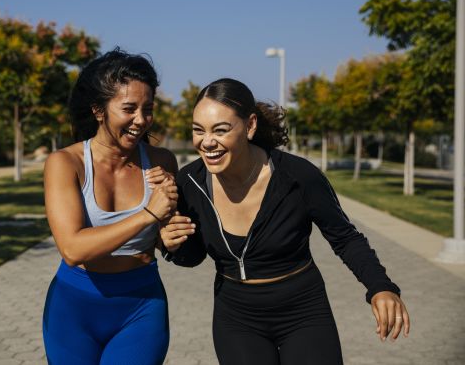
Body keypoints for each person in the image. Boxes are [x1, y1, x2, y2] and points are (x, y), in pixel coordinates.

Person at [160, 78, 410, 365]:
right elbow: (192, 256)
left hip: (303, 312)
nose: (207, 142)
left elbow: (345, 237)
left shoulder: (297, 177)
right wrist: (172, 244)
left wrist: (381, 287)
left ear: (250, 125)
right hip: (237, 319)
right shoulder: (190, 182)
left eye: (221, 130)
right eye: (198, 130)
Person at [42, 49, 178, 364]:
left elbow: (166, 235)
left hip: (141, 307)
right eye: (129, 108)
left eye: (148, 109)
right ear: (98, 110)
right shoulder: (66, 163)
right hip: (73, 311)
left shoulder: (162, 161)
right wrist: (149, 214)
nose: (141, 120)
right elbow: (73, 248)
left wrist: (170, 233)